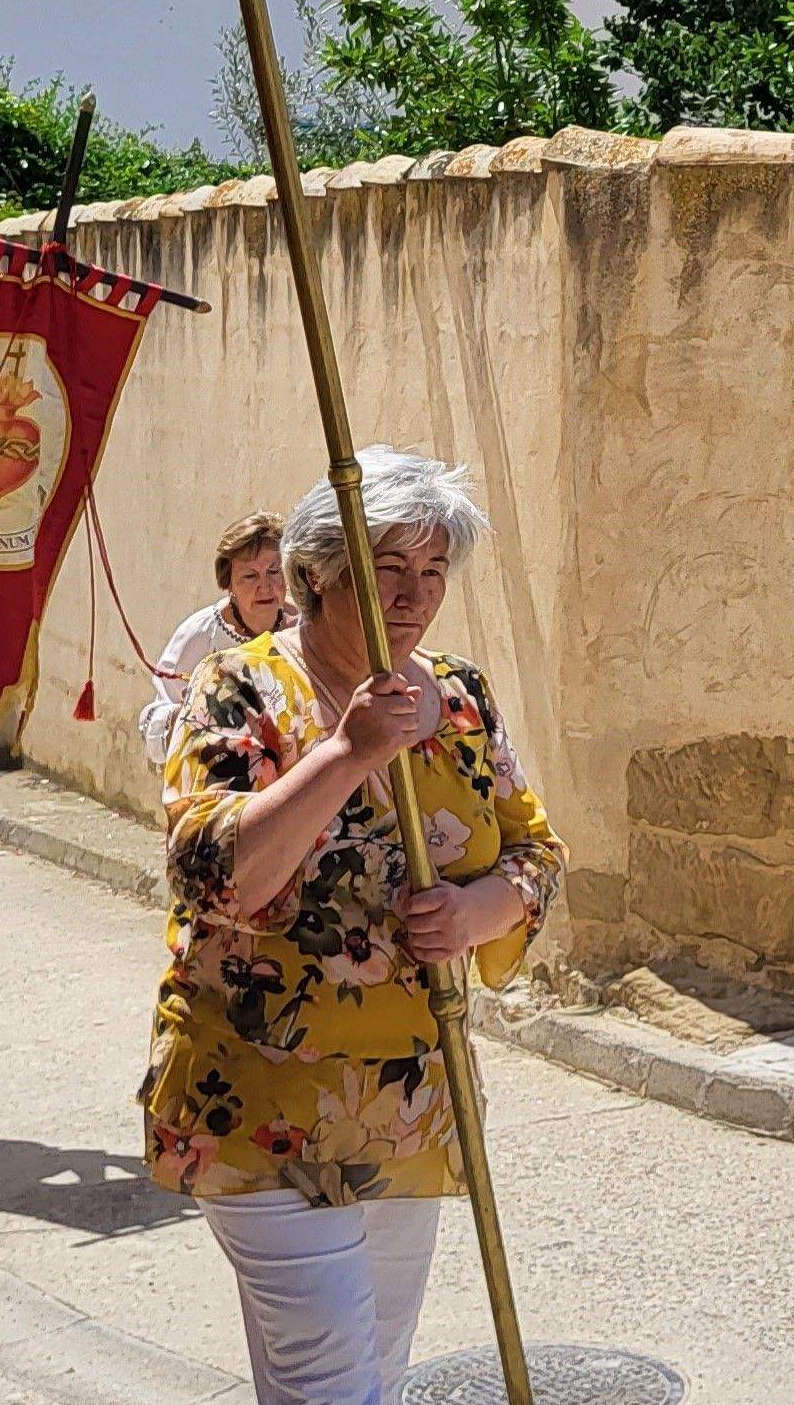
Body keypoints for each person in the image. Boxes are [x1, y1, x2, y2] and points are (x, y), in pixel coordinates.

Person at [143, 449, 564, 1404]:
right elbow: (210, 875)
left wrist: (478, 911)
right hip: (260, 1101)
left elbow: (536, 852)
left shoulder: (458, 698)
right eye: (389, 568)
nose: (414, 596)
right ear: (318, 574)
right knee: (332, 1382)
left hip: (409, 1100)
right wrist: (346, 752)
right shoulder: (238, 689)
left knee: (370, 1369)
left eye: (434, 571)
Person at [139, 512, 296, 767]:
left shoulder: (305, 628)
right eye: (250, 576)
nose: (265, 585)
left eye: (274, 571)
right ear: (228, 583)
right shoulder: (200, 636)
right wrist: (201, 714)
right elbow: (156, 724)